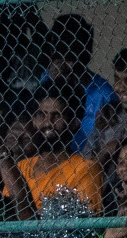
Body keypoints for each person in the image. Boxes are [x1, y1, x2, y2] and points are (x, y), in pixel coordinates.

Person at [0, 87, 106, 215]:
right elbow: (8, 216)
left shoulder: (86, 168)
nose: (48, 123)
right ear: (34, 120)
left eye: (57, 116)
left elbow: (83, 225)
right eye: (42, 114)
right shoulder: (21, 167)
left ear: (74, 122)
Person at [39, 13, 115, 156]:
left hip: (89, 162)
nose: (68, 67)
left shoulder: (102, 93)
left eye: (73, 59)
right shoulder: (46, 80)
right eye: (60, 59)